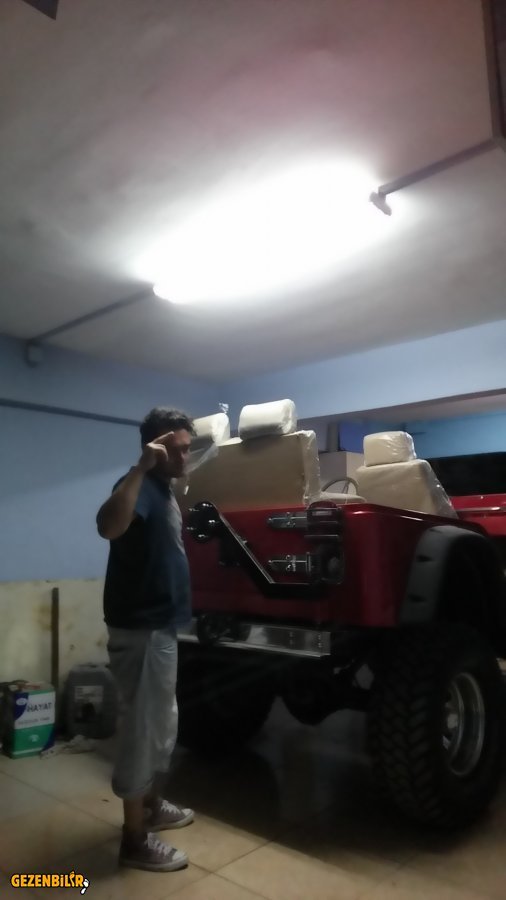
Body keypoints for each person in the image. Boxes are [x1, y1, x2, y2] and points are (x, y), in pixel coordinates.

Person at [96, 407, 196, 872]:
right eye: (176, 449)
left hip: (161, 626)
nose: (184, 457)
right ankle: (134, 840)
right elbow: (108, 527)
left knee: (162, 726)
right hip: (141, 628)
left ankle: (152, 808)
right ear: (153, 447)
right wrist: (139, 468)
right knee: (142, 730)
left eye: (187, 449)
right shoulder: (136, 484)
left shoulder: (164, 490)